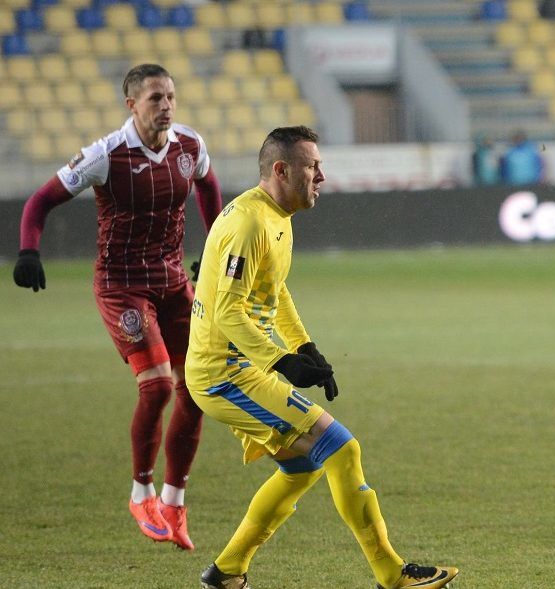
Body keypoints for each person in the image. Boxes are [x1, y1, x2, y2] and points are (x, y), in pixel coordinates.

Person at [187, 126, 458, 589]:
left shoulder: (276, 216)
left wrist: (304, 347)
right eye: (312, 166)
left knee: (302, 467)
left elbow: (274, 291)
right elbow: (227, 311)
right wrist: (281, 361)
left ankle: (227, 571)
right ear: (281, 170)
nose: (322, 176)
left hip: (241, 368)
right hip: (224, 375)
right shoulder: (249, 224)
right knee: (341, 447)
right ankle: (392, 574)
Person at [12, 63, 223, 551]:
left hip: (172, 282)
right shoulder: (106, 155)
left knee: (199, 386)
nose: (166, 106)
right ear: (132, 104)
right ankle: (141, 493)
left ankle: (173, 501)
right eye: (155, 98)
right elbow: (39, 202)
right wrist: (28, 251)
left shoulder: (190, 145)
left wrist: (213, 245)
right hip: (121, 286)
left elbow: (209, 187)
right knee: (158, 386)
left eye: (170, 96)